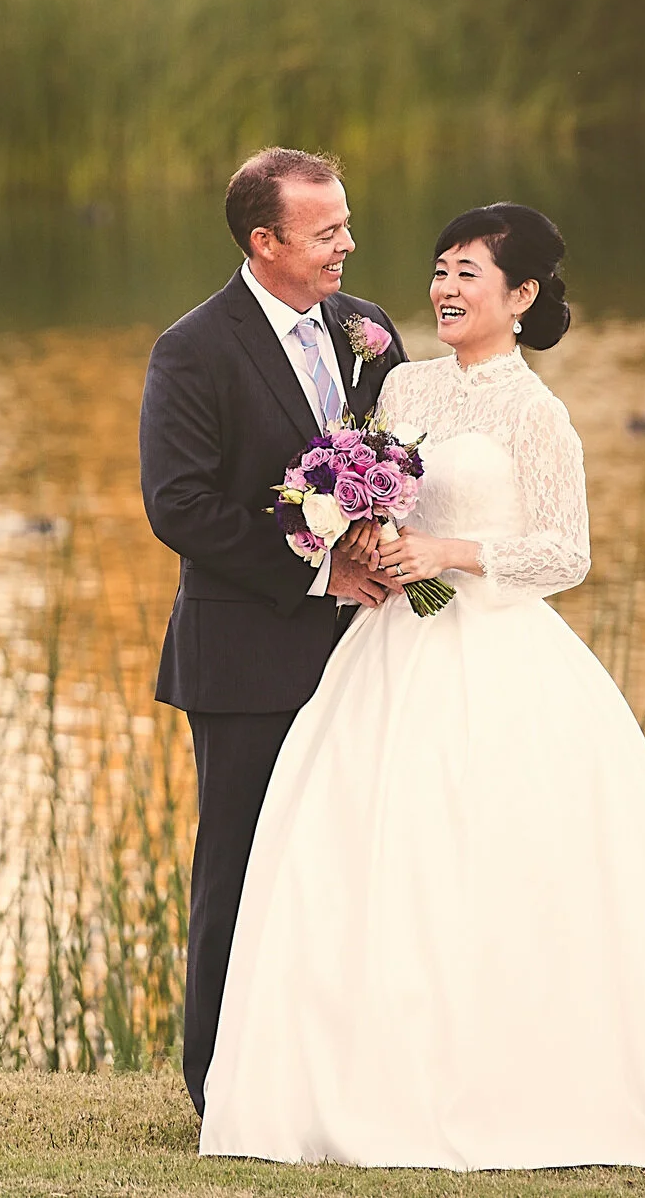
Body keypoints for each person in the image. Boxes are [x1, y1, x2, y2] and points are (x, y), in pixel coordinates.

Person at [197, 202, 645, 1169]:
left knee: (496, 859)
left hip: (496, 655)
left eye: (468, 273)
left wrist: (451, 551)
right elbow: (377, 492)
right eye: (440, 269)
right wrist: (367, 535)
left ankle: (520, 1083)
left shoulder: (537, 413)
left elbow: (566, 552)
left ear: (521, 296)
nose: (444, 288)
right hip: (389, 646)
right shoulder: (402, 386)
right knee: (365, 857)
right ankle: (361, 1082)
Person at [138, 146, 409, 1116]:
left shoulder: (368, 330)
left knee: (355, 862)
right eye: (325, 231)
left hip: (370, 651)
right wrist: (318, 565)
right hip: (246, 658)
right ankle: (220, 1085)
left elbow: (400, 462)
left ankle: (338, 1074)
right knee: (241, 868)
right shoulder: (193, 349)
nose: (347, 244)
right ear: (264, 241)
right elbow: (178, 506)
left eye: (346, 224)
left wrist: (390, 539)